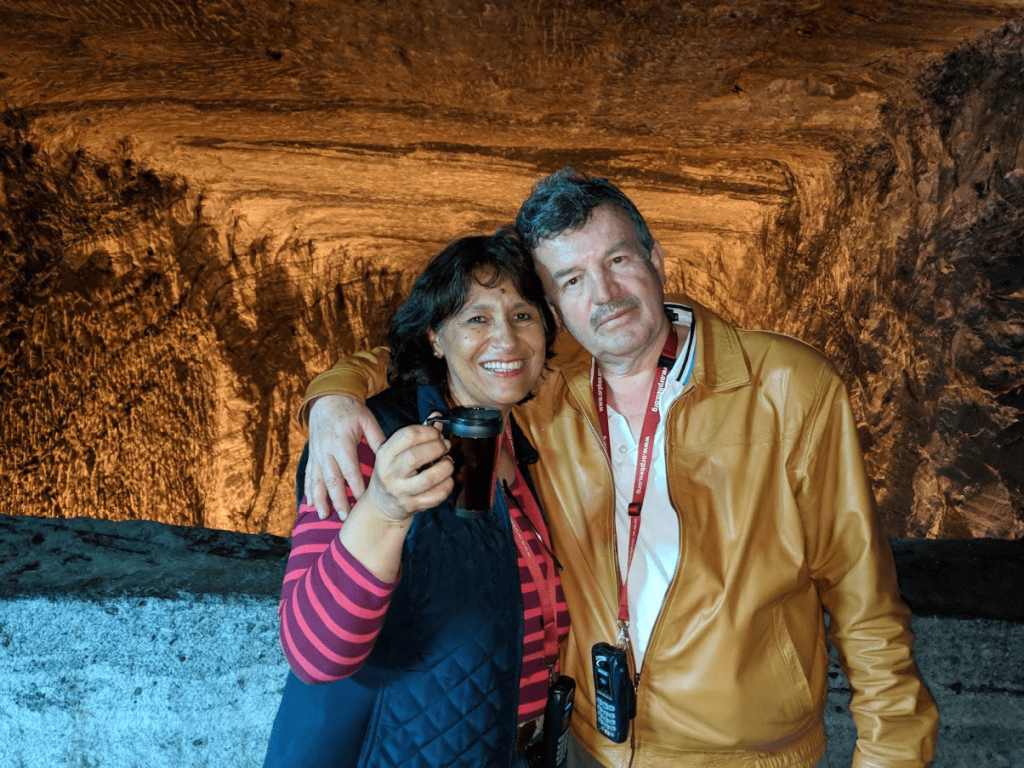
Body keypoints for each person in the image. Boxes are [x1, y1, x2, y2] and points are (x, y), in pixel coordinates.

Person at [298, 169, 939, 767]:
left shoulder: (788, 387)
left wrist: (892, 753)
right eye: (571, 280)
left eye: (618, 261)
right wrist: (332, 396)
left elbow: (865, 601)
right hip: (592, 747)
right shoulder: (546, 391)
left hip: (743, 753)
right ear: (558, 309)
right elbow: (455, 349)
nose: (603, 295)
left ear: (656, 262)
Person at [263, 233, 571, 768]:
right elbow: (314, 653)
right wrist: (385, 506)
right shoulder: (372, 439)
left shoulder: (518, 444)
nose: (507, 338)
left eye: (523, 316)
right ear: (435, 337)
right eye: (476, 319)